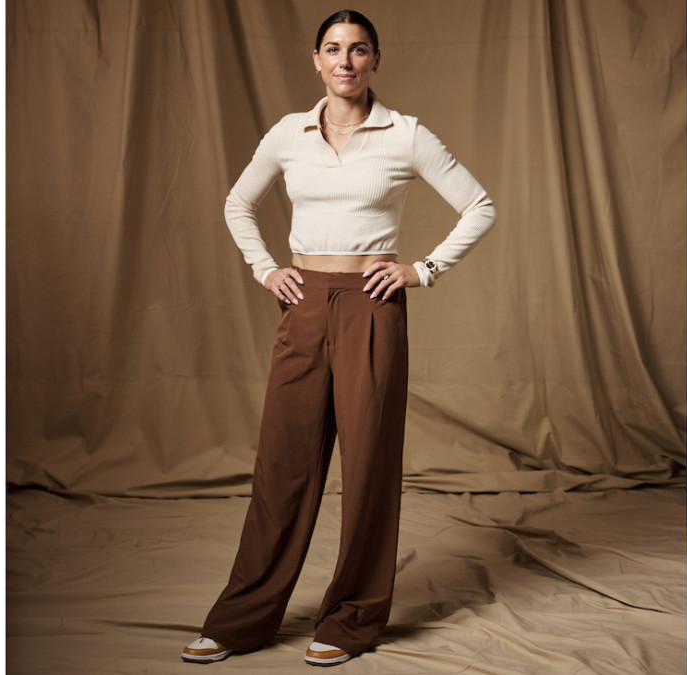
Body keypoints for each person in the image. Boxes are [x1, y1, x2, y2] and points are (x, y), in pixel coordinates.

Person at [182, 9, 496, 667]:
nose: (345, 60)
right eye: (333, 49)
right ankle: (242, 618)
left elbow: (480, 205)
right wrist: (266, 268)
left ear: (375, 60)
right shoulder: (288, 134)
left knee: (369, 466)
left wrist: (422, 269)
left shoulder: (405, 135)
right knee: (282, 464)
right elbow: (238, 203)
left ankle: (352, 620)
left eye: (358, 50)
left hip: (372, 307)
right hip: (304, 307)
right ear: (316, 60)